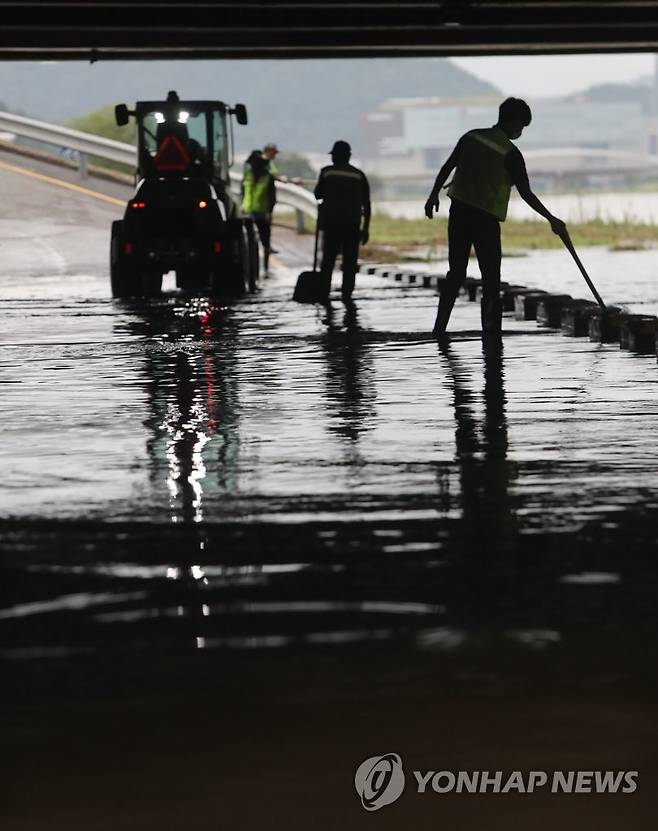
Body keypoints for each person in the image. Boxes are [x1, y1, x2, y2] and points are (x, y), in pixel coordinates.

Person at [425, 97, 568, 347]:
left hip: (459, 214)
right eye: (521, 126)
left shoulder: (471, 137)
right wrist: (551, 219)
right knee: (491, 280)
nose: (520, 131)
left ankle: (438, 331)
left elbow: (448, 166)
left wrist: (433, 194)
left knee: (455, 272)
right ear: (513, 121)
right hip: (485, 221)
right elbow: (526, 194)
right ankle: (491, 339)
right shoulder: (511, 153)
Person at [314, 140, 371, 302]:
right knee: (350, 262)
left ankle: (324, 292)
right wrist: (366, 228)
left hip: (331, 224)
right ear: (348, 156)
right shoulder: (359, 175)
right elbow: (366, 204)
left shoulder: (326, 172)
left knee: (328, 261)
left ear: (335, 156)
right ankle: (347, 295)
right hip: (352, 225)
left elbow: (318, 194)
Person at [242, 149, 276, 274]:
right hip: (248, 213)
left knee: (265, 241)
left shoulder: (267, 176)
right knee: (250, 242)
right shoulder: (248, 175)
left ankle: (265, 268)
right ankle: (253, 268)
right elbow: (243, 193)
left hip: (262, 213)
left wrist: (269, 212)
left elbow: (272, 197)